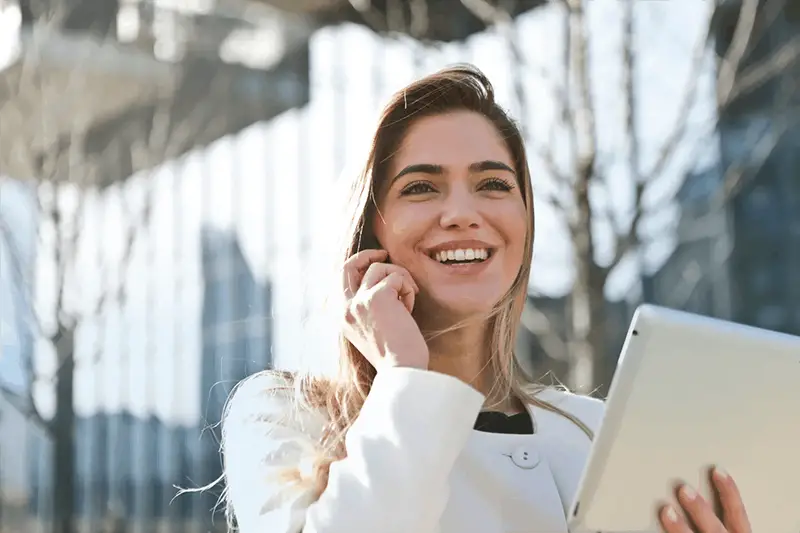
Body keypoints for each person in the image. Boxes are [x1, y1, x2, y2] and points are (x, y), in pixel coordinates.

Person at [220, 65, 752, 533]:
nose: (462, 213)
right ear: (369, 232)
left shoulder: (595, 431)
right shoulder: (282, 415)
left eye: (493, 184)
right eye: (421, 187)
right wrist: (406, 375)